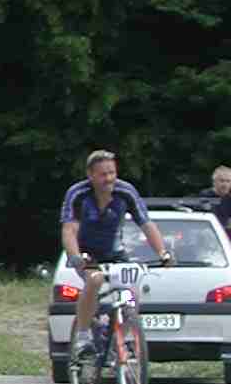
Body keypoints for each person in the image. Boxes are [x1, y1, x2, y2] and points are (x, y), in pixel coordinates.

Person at [60, 150, 173, 350]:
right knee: (95, 279)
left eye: (112, 173)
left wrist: (163, 253)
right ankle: (83, 335)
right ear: (90, 175)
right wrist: (75, 256)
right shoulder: (78, 194)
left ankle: (122, 337)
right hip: (85, 252)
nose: (109, 179)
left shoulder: (125, 192)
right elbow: (69, 229)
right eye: (103, 174)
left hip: (114, 252)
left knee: (131, 293)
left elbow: (146, 225)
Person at [211, 165, 231, 233]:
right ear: (214, 182)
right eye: (222, 181)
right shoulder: (204, 197)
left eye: (228, 181)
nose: (225, 184)